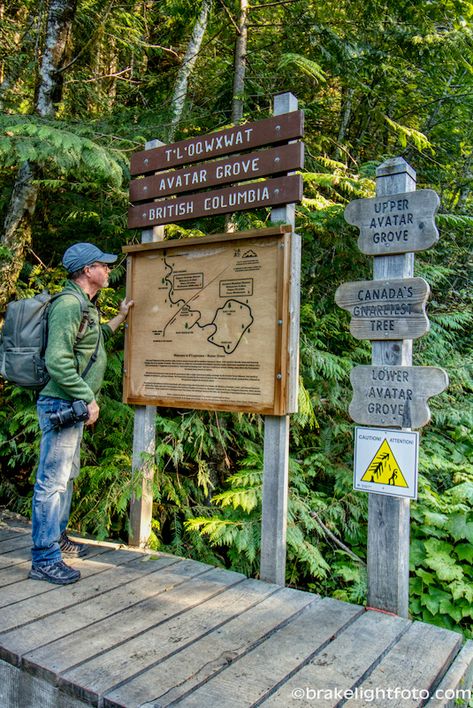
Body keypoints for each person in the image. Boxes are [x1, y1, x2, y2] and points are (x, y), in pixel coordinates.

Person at [29, 242, 133, 585]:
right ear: (87, 270)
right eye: (103, 265)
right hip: (62, 403)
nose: (108, 270)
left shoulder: (84, 306)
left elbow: (95, 340)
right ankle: (44, 558)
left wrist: (120, 316)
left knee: (66, 477)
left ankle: (56, 539)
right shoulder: (69, 304)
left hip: (70, 405)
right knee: (52, 482)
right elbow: (57, 359)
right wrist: (88, 398)